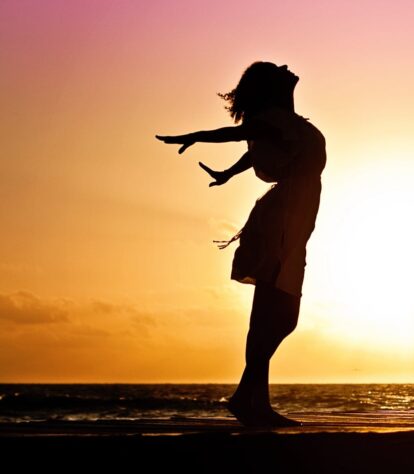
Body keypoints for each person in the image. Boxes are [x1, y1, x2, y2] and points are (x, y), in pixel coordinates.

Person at [156, 61, 326, 427]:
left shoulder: (286, 123)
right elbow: (234, 135)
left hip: (292, 220)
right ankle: (250, 401)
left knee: (276, 315)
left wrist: (228, 173)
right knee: (276, 313)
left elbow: (255, 150)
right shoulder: (273, 119)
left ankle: (250, 400)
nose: (286, 66)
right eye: (277, 68)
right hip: (282, 220)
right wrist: (196, 136)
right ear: (271, 86)